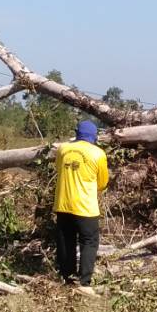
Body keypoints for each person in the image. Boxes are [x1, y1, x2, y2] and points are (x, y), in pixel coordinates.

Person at [54, 120, 110, 287]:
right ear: (94, 136)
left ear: (77, 133)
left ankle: (67, 278)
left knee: (66, 240)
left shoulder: (63, 149)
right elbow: (102, 183)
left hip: (63, 204)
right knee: (89, 242)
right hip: (86, 208)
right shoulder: (98, 153)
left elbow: (59, 169)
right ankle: (84, 281)